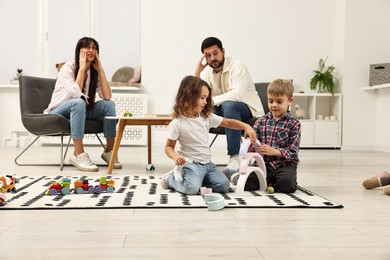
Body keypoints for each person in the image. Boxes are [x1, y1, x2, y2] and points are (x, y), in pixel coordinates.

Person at [161, 75, 257, 195]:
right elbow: (168, 147)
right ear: (189, 96)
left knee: (224, 185)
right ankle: (170, 179)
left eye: (206, 98)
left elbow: (227, 122)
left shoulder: (206, 117)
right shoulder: (177, 124)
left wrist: (246, 126)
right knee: (191, 189)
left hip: (207, 165)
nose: (205, 102)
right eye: (202, 98)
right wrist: (175, 156)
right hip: (190, 165)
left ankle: (199, 180)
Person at [44, 37, 121, 172]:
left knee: (109, 105)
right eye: (87, 47)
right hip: (58, 111)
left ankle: (110, 152)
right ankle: (78, 154)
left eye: (94, 48)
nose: (91, 50)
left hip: (79, 109)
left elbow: (107, 96)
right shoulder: (68, 68)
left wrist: (101, 70)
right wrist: (82, 68)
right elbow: (75, 93)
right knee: (78, 102)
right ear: (79, 51)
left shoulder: (94, 71)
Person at [194, 36, 264, 171]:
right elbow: (195, 95)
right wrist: (198, 72)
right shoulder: (206, 72)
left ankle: (234, 157)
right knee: (197, 110)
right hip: (224, 110)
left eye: (215, 53)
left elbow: (236, 94)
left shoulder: (237, 66)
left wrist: (210, 101)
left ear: (223, 51)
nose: (212, 58)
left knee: (229, 105)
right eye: (208, 56)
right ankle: (198, 158)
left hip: (246, 108)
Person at [226, 79, 300, 193]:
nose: (274, 105)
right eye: (271, 101)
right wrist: (250, 147)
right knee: (247, 184)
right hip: (263, 164)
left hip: (284, 165)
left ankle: (273, 181)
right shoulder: (261, 121)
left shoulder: (294, 124)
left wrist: (274, 151)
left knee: (288, 186)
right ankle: (236, 174)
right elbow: (255, 144)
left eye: (279, 102)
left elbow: (293, 152)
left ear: (290, 101)